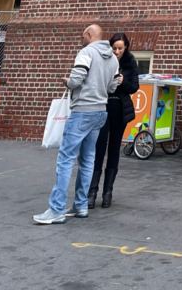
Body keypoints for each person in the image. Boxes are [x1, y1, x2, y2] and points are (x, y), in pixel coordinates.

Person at [34, 23, 119, 224]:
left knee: (65, 159)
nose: (81, 39)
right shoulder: (114, 58)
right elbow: (113, 87)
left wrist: (67, 81)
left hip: (82, 111)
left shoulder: (86, 52)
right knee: (88, 159)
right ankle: (80, 205)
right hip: (100, 111)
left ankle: (56, 209)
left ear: (90, 34)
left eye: (83, 36)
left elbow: (76, 80)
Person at [87, 32, 139, 209]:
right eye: (114, 48)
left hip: (120, 110)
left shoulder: (130, 61)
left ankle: (107, 192)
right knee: (99, 148)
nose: (117, 51)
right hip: (103, 108)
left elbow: (134, 87)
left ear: (125, 48)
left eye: (120, 48)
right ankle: (92, 192)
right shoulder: (103, 59)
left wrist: (123, 82)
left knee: (114, 149)